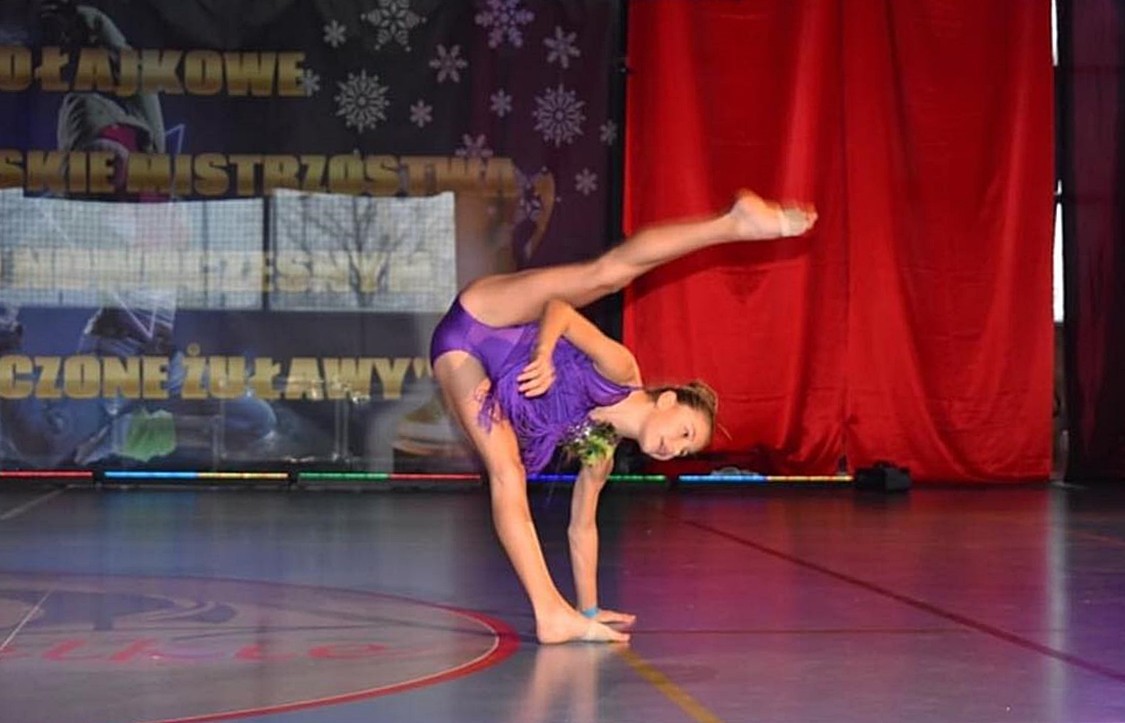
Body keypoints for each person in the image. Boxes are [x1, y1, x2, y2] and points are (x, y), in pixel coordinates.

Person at [430, 190, 817, 644]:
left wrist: (591, 608)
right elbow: (559, 309)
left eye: (684, 451)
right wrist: (545, 353)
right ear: (667, 401)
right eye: (684, 432)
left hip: (456, 353)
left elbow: (582, 528)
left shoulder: (601, 448)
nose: (673, 449)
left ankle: (553, 615)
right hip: (488, 314)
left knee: (507, 472)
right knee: (605, 275)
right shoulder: (621, 371)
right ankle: (732, 225)